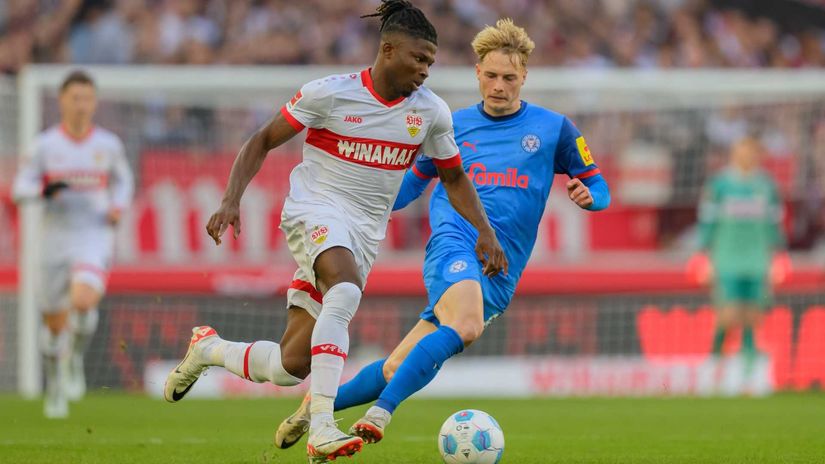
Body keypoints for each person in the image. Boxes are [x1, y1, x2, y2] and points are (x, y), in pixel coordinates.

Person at [162, 1, 506, 462]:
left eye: (431, 62)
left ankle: (208, 349)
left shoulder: (430, 112)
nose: (426, 70)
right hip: (315, 211)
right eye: (419, 58)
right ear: (388, 50)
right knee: (344, 291)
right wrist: (230, 199)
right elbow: (262, 140)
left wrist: (484, 231)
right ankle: (322, 427)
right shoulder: (330, 93)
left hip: (363, 234)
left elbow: (454, 176)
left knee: (289, 366)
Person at [274, 18, 611, 447]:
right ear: (477, 73)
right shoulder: (450, 123)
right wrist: (356, 203)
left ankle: (316, 407)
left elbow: (598, 184)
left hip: (502, 267)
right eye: (491, 76)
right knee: (466, 325)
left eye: (509, 78)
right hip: (455, 241)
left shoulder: (554, 129)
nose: (499, 86)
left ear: (524, 76)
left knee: (396, 367)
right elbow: (410, 184)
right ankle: (380, 414)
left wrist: (590, 197)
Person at [12, 70, 134, 419]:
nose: (82, 105)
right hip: (54, 237)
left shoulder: (108, 145)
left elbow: (124, 180)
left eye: (88, 99)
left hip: (93, 233)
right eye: (76, 98)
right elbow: (20, 187)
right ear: (62, 101)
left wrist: (117, 206)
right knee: (53, 324)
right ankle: (55, 383)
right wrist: (41, 190)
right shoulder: (45, 145)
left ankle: (75, 357)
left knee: (82, 300)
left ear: (94, 103)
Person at [688, 136, 790, 367]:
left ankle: (748, 354)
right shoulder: (719, 185)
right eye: (743, 151)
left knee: (754, 309)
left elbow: (774, 224)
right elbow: (707, 221)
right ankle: (717, 350)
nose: (748, 156)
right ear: (734, 154)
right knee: (729, 310)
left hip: (757, 258)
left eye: (753, 152)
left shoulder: (767, 186)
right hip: (727, 257)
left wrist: (779, 254)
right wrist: (702, 254)